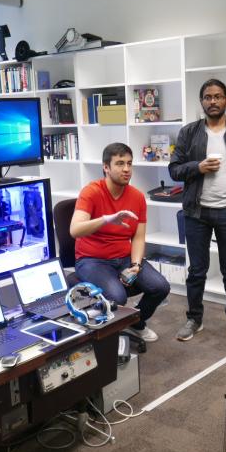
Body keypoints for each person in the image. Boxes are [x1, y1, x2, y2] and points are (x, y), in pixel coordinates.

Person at [169, 79, 226, 342]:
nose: (213, 101)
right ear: (202, 102)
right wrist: (197, 167)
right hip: (196, 213)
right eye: (208, 97)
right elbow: (174, 170)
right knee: (197, 270)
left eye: (218, 97)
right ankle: (194, 318)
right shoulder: (188, 133)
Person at [70, 142, 170, 342]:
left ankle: (135, 323)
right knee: (118, 297)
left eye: (130, 164)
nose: (126, 169)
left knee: (160, 287)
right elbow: (75, 230)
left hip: (124, 258)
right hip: (92, 259)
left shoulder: (137, 197)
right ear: (106, 167)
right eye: (120, 163)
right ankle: (109, 335)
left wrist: (135, 265)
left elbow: (139, 236)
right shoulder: (91, 192)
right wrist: (107, 219)